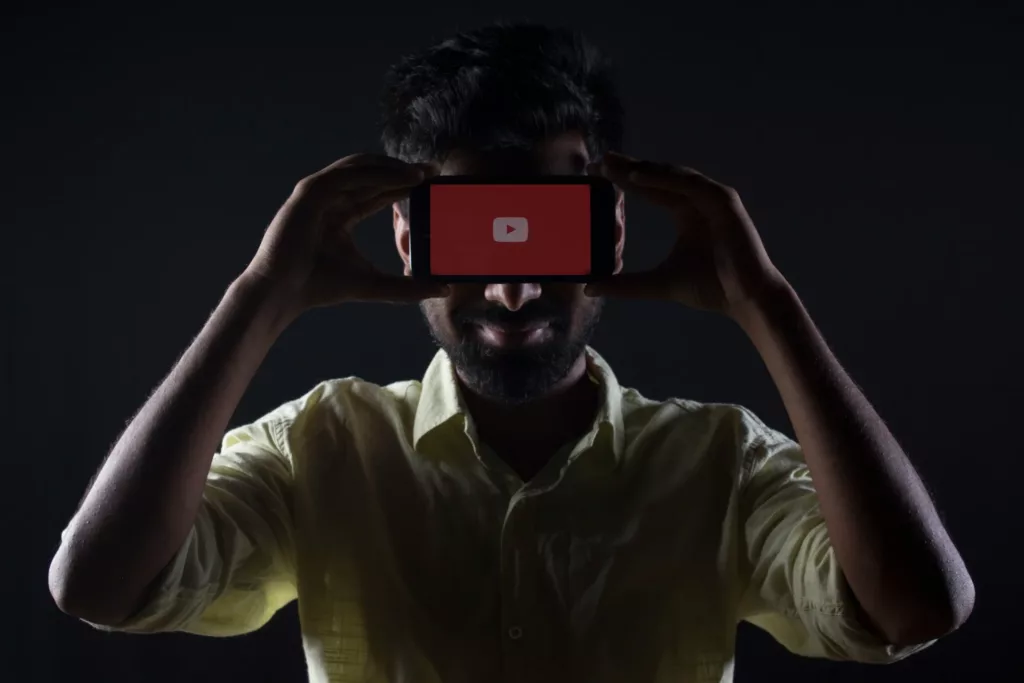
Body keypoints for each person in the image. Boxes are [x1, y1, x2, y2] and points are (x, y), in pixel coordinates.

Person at [49, 22, 974, 683]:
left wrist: (769, 306)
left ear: (610, 235)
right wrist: (258, 299)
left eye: (541, 232)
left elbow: (915, 609)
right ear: (409, 245)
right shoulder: (323, 446)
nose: (512, 289)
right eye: (477, 237)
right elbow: (98, 584)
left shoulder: (721, 464)